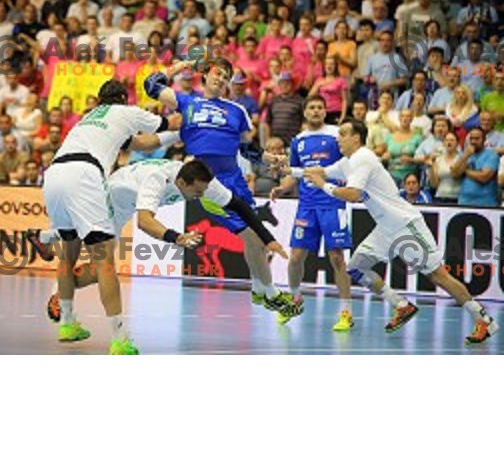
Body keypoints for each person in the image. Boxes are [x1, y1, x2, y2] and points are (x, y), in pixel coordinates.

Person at [294, 118, 498, 344]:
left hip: (404, 225)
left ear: (356, 138)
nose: (337, 138)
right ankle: (401, 305)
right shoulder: (348, 161)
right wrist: (285, 166)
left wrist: (323, 185)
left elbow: (351, 195)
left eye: (342, 134)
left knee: (437, 276)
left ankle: (484, 320)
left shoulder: (363, 158)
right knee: (355, 268)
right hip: (385, 228)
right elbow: (317, 170)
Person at [144, 56, 301, 320]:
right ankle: (270, 294)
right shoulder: (187, 101)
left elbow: (247, 148)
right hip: (207, 182)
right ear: (205, 75)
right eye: (217, 73)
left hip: (235, 177)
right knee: (252, 236)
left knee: (256, 239)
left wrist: (269, 159)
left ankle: (258, 290)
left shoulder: (236, 111)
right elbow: (151, 84)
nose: (221, 78)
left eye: (226, 77)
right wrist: (183, 65)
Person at [36, 158, 286, 319]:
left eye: (203, 191)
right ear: (180, 182)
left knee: (98, 265)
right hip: (111, 199)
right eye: (196, 192)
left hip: (129, 199)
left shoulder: (202, 182)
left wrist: (268, 238)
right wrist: (177, 238)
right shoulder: (158, 180)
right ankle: (59, 283)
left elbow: (239, 205)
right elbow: (144, 222)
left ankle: (46, 238)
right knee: (103, 265)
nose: (200, 196)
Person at [41, 79, 182, 355]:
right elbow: (167, 124)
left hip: (54, 174)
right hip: (84, 175)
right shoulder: (125, 112)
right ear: (121, 98)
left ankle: (68, 324)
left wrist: (175, 136)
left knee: (67, 255)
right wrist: (184, 126)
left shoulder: (88, 119)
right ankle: (119, 338)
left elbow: (141, 144)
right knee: (104, 260)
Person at [268, 95, 354, 330]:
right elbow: (293, 172)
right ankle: (295, 300)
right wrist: (282, 187)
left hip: (333, 203)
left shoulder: (337, 134)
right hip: (306, 205)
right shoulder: (298, 141)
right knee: (295, 258)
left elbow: (350, 162)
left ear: (325, 112)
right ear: (305, 113)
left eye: (320, 108)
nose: (316, 111)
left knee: (337, 258)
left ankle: (346, 312)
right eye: (312, 108)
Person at [451, 127, 500, 207]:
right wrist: (465, 156)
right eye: (471, 138)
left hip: (485, 203)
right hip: (464, 202)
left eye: (477, 139)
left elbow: (484, 177)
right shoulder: (465, 154)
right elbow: (454, 174)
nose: (473, 141)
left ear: (484, 140)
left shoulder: (491, 155)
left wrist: (465, 171)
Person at [428, 132, 462, 204]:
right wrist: (431, 167)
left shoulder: (461, 158)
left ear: (457, 143)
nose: (449, 142)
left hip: (456, 197)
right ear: (443, 143)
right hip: (440, 196)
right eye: (446, 140)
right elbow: (434, 184)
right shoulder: (438, 159)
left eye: (452, 140)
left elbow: (456, 176)